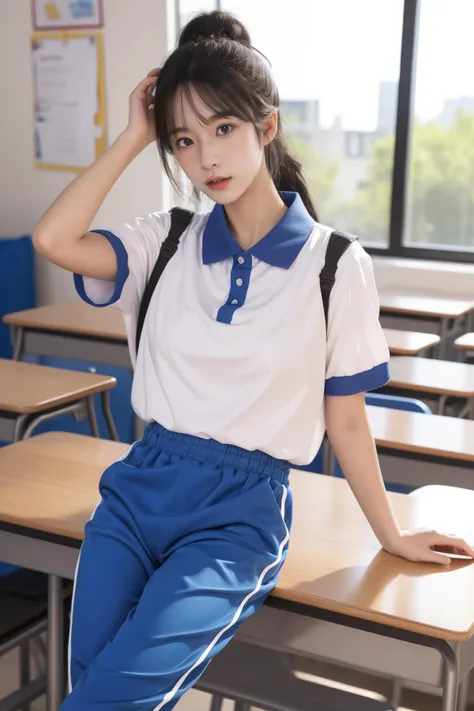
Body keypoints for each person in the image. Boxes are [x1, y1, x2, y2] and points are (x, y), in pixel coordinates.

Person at [33, 10, 474, 711]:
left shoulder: (335, 264)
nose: (207, 157)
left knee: (105, 700)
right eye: (184, 139)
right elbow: (54, 238)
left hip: (238, 515)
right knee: (93, 685)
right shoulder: (166, 240)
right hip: (138, 489)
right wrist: (132, 137)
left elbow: (348, 424)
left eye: (224, 129)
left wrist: (391, 532)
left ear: (266, 128)